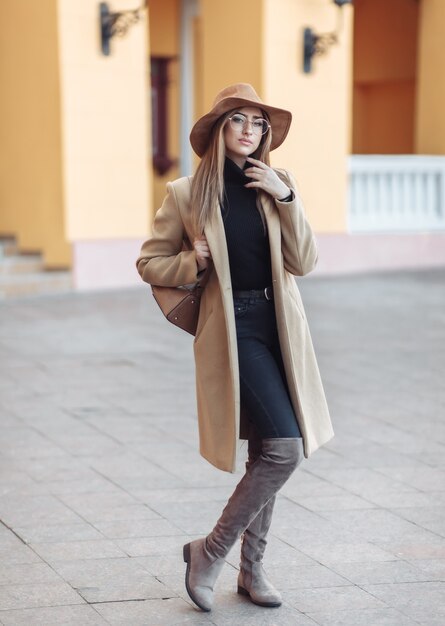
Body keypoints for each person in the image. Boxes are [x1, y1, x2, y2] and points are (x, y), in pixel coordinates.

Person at [136, 83, 334, 612]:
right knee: (285, 449)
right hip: (234, 325)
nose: (250, 131)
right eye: (239, 121)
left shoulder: (277, 182)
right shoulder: (186, 193)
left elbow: (304, 261)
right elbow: (149, 263)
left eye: (258, 123)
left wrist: (286, 198)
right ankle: (211, 552)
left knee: (269, 447)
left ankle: (252, 569)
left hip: (280, 327)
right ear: (220, 129)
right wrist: (192, 259)